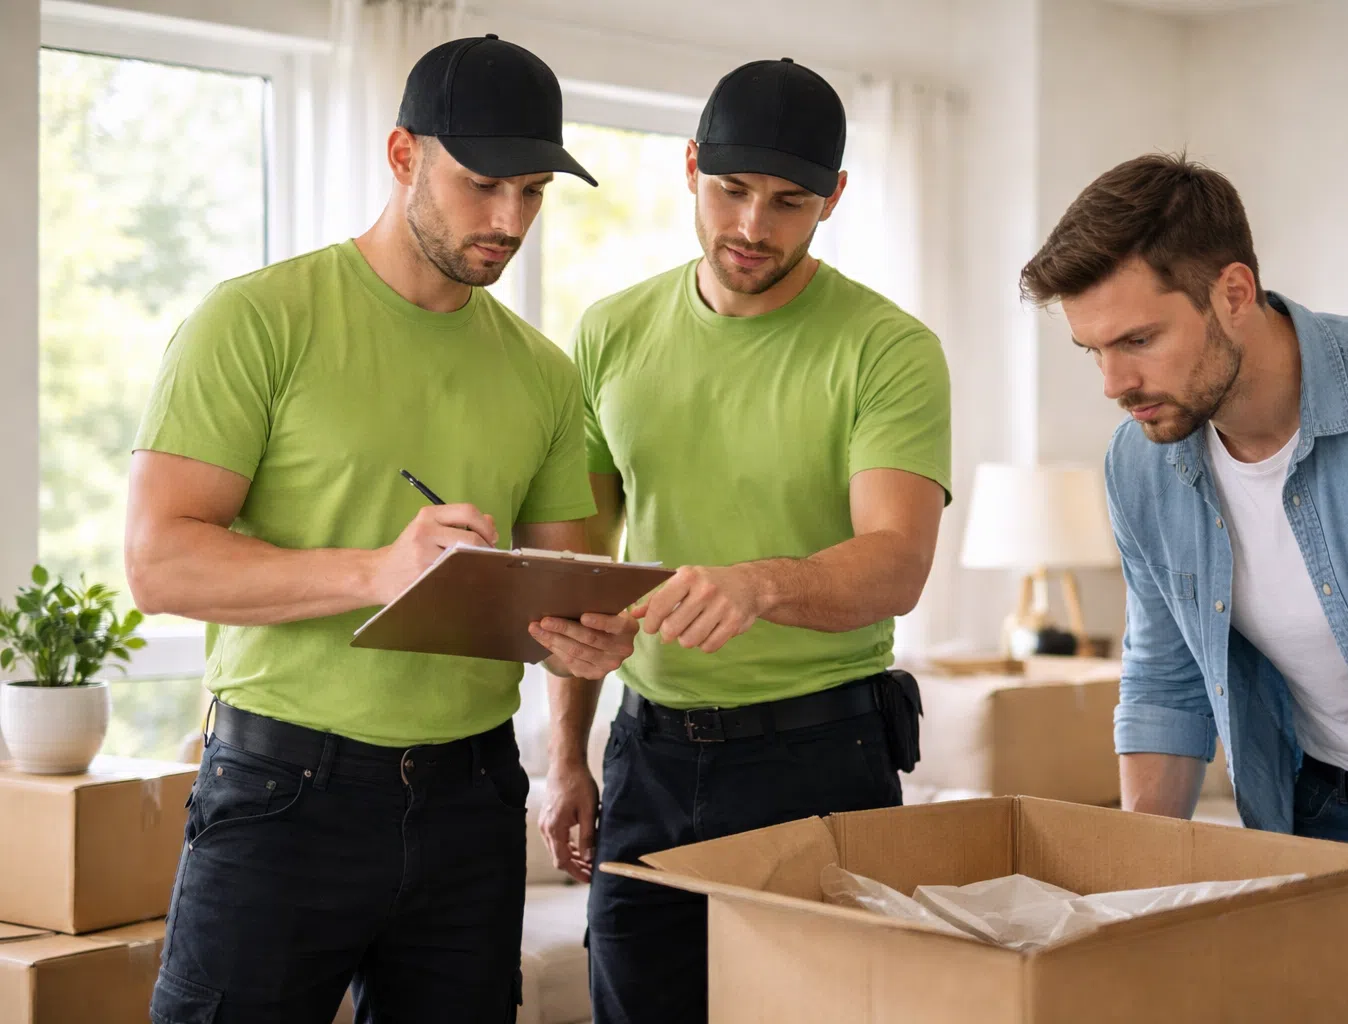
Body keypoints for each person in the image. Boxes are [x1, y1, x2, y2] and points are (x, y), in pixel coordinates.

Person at [126, 35, 635, 1024]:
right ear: (403, 155)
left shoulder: (542, 371)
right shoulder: (257, 320)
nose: (509, 219)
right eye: (482, 184)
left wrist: (593, 639)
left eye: (533, 191)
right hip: (283, 789)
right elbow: (159, 561)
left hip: (474, 790)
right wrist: (377, 570)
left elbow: (565, 579)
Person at [1019, 152, 1348, 1023]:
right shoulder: (1140, 466)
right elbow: (1167, 683)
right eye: (1093, 351)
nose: (1114, 386)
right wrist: (1132, 899)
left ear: (1232, 292)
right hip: (1325, 829)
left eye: (1138, 340)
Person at [530, 57, 951, 1024]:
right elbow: (581, 576)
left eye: (788, 201)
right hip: (648, 756)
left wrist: (760, 585)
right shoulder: (611, 332)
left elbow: (899, 562)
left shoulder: (887, 348)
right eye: (730, 191)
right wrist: (567, 755)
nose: (752, 227)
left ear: (833, 199)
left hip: (822, 752)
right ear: (689, 167)